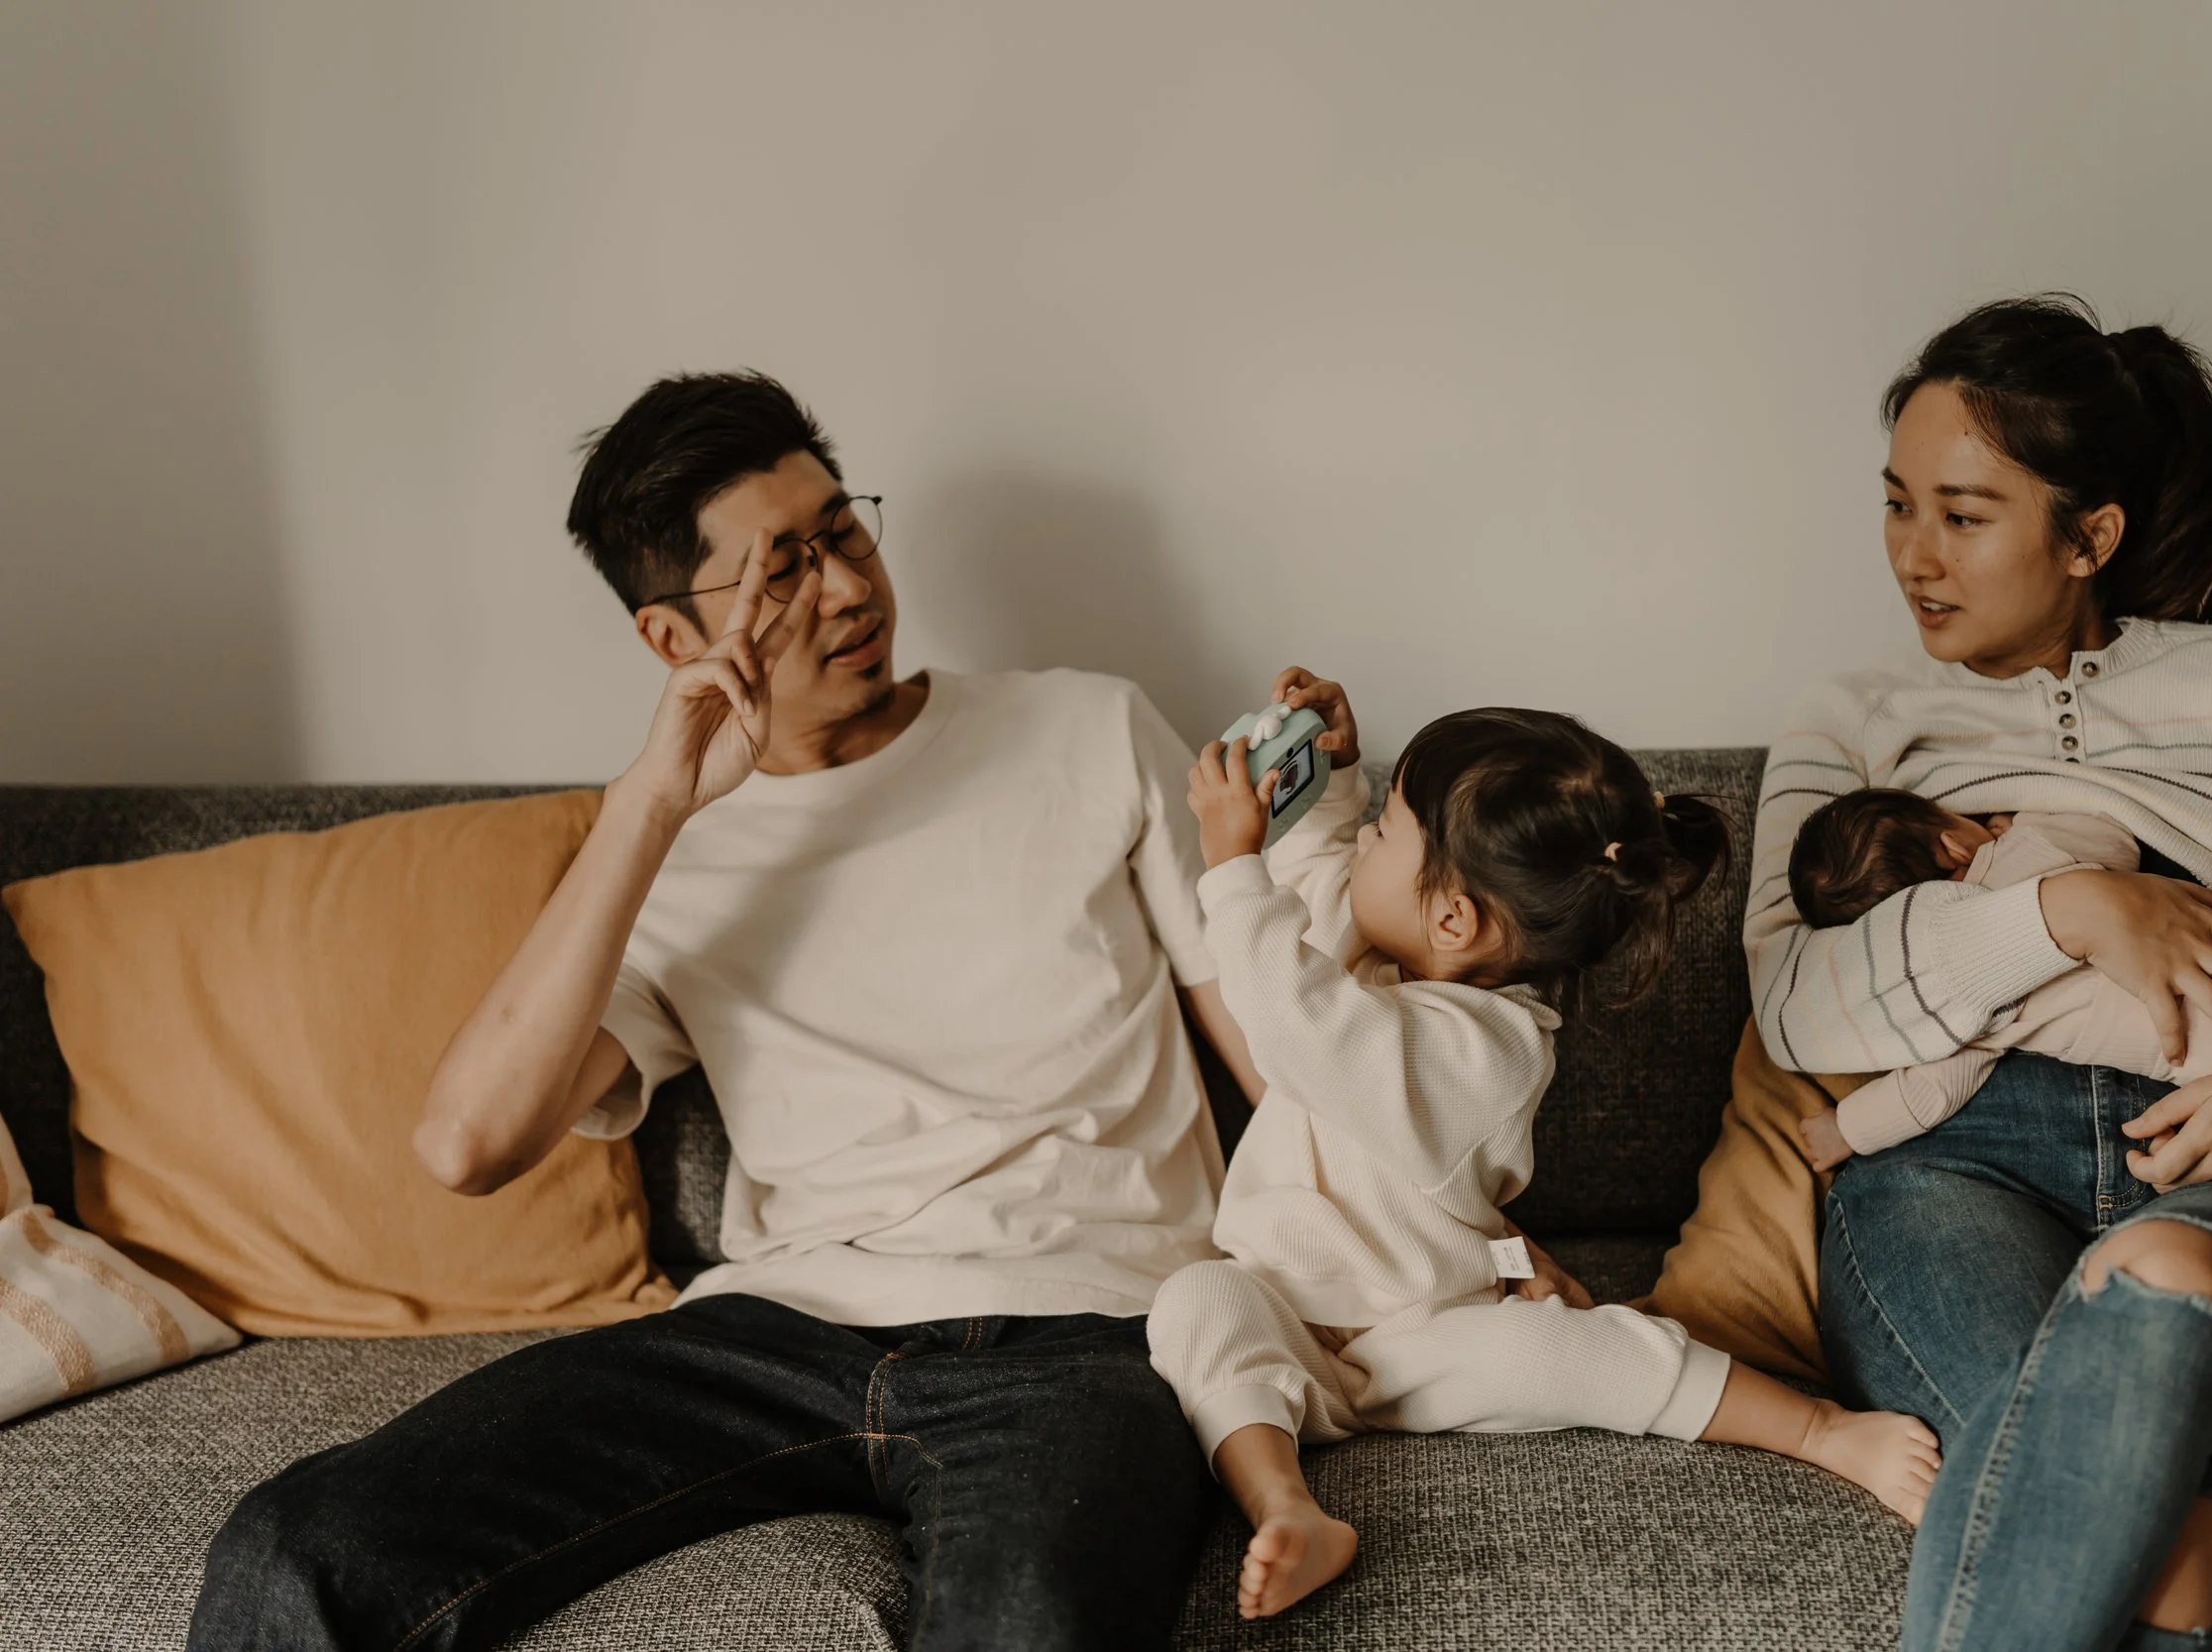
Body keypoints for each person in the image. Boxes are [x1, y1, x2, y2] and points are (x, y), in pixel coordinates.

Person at [187, 372, 1270, 1652]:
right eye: (782, 572)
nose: (849, 589)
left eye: (844, 531)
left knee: (1030, 1626)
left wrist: (1459, 1250)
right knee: (298, 1545)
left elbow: (1278, 1050)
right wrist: (653, 800)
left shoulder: (1089, 728)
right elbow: (465, 1142)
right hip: (767, 1337)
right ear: (670, 637)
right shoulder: (667, 848)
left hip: (1083, 1334)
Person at [1750, 296, 2212, 1651]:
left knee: (2164, 1275)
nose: (1916, 554)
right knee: (2170, 1550)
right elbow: (1797, 998)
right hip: (1952, 1164)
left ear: (2092, 536)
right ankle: (2178, 1552)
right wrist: (2069, 910)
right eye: (1899, 504)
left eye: (1964, 514)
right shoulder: (1847, 720)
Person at [1150, 671, 1943, 1620]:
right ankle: (1286, 1503)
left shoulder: (1482, 1051)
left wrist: (1232, 866)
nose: (1365, 840)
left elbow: (1297, 1018)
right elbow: (1330, 897)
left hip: (1420, 1330)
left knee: (1563, 1355)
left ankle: (1819, 1429)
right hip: (1286, 1309)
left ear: (1451, 918)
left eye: (1385, 829)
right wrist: (1343, 780)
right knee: (1196, 1298)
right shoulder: (1390, 947)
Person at [1785, 793, 2212, 1173]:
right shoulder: (2033, 845)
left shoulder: (1965, 998)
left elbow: (1929, 1087)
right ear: (1953, 843)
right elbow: (2113, 836)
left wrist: (1846, 1128)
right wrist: (2016, 826)